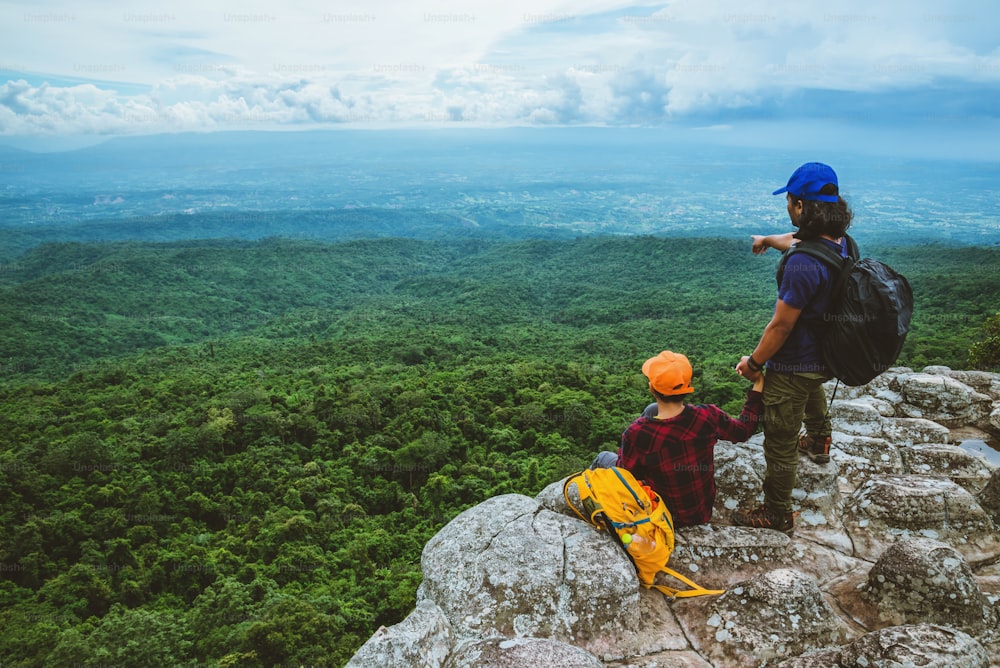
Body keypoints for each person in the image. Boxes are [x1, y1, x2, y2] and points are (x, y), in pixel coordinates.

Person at [732, 162, 854, 534]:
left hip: (795, 362)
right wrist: (769, 240)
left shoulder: (801, 264)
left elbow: (781, 325)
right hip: (829, 355)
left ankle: (776, 513)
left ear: (801, 207)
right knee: (811, 384)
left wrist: (754, 364)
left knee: (780, 440)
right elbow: (803, 243)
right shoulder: (841, 242)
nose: (788, 206)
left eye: (790, 201)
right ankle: (819, 439)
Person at [591, 350, 764, 527]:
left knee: (603, 458)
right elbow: (744, 430)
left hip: (664, 517)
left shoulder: (636, 433)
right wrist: (759, 383)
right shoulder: (707, 416)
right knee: (652, 410)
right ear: (687, 386)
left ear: (652, 388)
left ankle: (592, 502)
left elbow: (625, 478)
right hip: (702, 512)